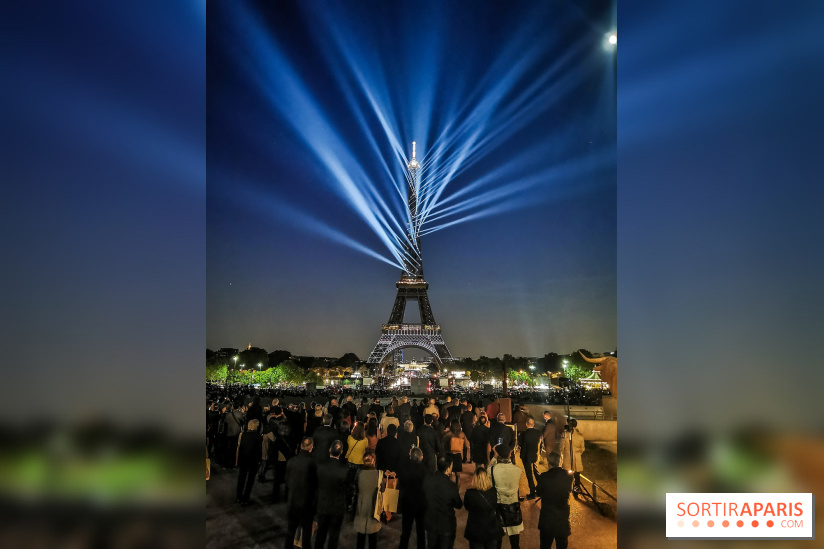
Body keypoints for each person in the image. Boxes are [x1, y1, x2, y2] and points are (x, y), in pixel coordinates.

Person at [422, 456, 464, 549]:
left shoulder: (427, 480)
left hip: (431, 522)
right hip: (446, 525)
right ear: (448, 468)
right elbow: (458, 504)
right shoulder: (451, 485)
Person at [315, 440, 350, 549]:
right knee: (334, 536)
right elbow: (347, 488)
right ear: (342, 452)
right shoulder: (345, 469)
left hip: (323, 505)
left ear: (330, 449)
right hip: (337, 507)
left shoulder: (320, 466)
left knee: (320, 534)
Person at [285, 437, 318, 549]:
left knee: (290, 531)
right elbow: (315, 485)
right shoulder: (313, 463)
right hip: (307, 504)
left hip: (293, 501)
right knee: (306, 535)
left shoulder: (291, 461)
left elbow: (287, 481)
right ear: (311, 448)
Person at [490, 445, 525, 549]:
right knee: (514, 540)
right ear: (510, 455)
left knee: (497, 540)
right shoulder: (517, 470)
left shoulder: (492, 470)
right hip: (513, 508)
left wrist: (494, 457)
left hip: (498, 506)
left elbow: (488, 468)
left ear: (498, 455)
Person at [536, 452, 573, 549]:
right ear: (560, 461)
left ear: (548, 462)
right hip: (562, 516)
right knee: (561, 544)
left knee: (545, 544)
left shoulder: (544, 477)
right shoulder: (568, 476)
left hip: (547, 516)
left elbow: (538, 492)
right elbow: (569, 490)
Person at [462, 466, 504, 549]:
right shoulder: (493, 492)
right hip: (492, 529)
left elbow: (467, 507)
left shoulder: (470, 494)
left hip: (476, 530)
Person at [397, 447, 427, 549]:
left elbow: (401, 482)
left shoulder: (404, 468)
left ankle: (403, 546)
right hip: (420, 504)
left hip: (407, 502)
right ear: (420, 457)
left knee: (405, 530)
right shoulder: (425, 470)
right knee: (421, 531)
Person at [353, 451, 382, 549]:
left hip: (361, 506)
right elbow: (381, 490)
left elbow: (355, 488)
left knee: (360, 536)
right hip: (373, 508)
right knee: (372, 537)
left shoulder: (359, 473)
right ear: (373, 461)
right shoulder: (378, 474)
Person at [235, 419, 262, 505]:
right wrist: (259, 461)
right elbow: (259, 451)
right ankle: (245, 498)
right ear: (257, 427)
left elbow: (239, 447)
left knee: (241, 478)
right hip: (253, 461)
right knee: (250, 480)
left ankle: (238, 497)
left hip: (243, 459)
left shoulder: (243, 435)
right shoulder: (258, 437)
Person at [559, 419, 585, 495]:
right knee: (577, 475)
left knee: (567, 474)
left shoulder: (565, 434)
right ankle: (576, 488)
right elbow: (582, 449)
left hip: (567, 457)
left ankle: (567, 488)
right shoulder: (581, 436)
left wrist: (563, 453)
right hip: (577, 458)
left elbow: (561, 447)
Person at [519, 417, 542, 499]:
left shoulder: (524, 434)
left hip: (526, 456)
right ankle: (540, 489)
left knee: (529, 475)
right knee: (536, 473)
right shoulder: (538, 433)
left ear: (526, 424)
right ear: (534, 424)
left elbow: (520, 444)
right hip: (535, 455)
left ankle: (532, 492)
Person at [443, 420, 470, 489]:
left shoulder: (449, 434)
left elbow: (442, 442)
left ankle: (450, 489)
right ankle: (457, 491)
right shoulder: (462, 434)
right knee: (458, 475)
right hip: (458, 455)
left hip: (449, 455)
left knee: (450, 474)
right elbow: (467, 445)